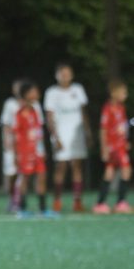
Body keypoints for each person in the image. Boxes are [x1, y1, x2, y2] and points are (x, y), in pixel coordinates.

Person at [44, 63, 92, 212]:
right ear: (56, 75)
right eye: (62, 73)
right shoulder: (52, 92)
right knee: (61, 167)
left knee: (77, 166)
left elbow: (83, 112)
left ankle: (77, 201)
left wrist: (88, 132)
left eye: (67, 73)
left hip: (77, 134)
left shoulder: (78, 89)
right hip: (61, 134)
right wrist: (55, 137)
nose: (65, 76)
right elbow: (49, 116)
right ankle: (57, 200)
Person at [13, 81, 54, 217]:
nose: (37, 93)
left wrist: (42, 149)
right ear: (26, 94)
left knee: (42, 176)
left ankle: (43, 208)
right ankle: (22, 208)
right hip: (25, 152)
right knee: (25, 179)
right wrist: (17, 154)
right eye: (34, 91)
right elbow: (16, 136)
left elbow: (38, 132)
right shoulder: (20, 113)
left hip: (37, 151)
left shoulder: (35, 110)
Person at [93, 79, 132, 214]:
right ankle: (120, 203)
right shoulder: (108, 108)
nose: (125, 95)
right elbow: (103, 129)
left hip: (120, 145)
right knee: (126, 170)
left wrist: (125, 141)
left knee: (109, 172)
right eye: (123, 92)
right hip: (113, 147)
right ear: (114, 93)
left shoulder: (121, 108)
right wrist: (104, 148)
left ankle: (100, 204)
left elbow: (123, 126)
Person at [0, 80, 22, 212]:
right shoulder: (10, 103)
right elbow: (6, 124)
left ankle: (18, 201)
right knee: (11, 173)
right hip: (12, 144)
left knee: (22, 173)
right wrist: (7, 140)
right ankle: (11, 197)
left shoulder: (32, 104)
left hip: (25, 144)